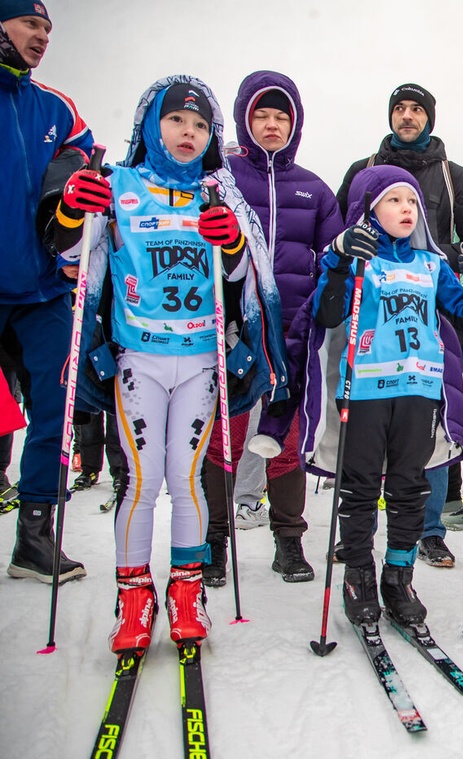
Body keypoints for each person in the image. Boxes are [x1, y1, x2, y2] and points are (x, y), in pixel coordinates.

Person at [55, 76, 286, 653]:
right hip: (138, 360)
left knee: (186, 480)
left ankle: (186, 593)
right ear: (152, 126)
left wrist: (231, 242)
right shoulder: (120, 185)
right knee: (141, 480)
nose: (189, 133)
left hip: (199, 363)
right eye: (177, 121)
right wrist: (68, 210)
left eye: (201, 125)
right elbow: (69, 256)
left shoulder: (218, 193)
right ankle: (133, 597)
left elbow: (245, 281)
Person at [311, 165, 463, 626]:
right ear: (370, 208)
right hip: (366, 392)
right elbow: (326, 311)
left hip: (419, 390)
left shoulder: (431, 264)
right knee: (360, 489)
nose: (407, 209)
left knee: (409, 488)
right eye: (394, 200)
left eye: (412, 201)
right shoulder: (358, 259)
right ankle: (359, 575)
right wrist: (335, 258)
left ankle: (398, 575)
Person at [199, 70, 343, 586]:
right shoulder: (218, 180)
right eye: (262, 114)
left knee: (285, 439)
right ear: (244, 118)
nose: (272, 124)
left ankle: (289, 542)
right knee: (225, 438)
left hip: (293, 334)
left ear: (296, 124)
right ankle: (214, 543)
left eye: (282, 116)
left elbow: (334, 261)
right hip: (233, 329)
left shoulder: (315, 190)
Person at [338, 82, 463, 540]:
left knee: (429, 422)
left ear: (430, 117)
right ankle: (356, 539)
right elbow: (336, 227)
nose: (407, 116)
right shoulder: (364, 168)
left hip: (431, 303)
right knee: (367, 436)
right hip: (370, 311)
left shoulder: (454, 174)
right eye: (400, 109)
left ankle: (428, 532)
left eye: (417, 110)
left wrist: (452, 262)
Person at [2, 0, 93, 583]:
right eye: (30, 23)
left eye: (48, 28)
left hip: (42, 291)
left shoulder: (55, 107)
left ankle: (35, 536)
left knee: (55, 410)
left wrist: (68, 207)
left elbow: (84, 158)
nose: (42, 36)